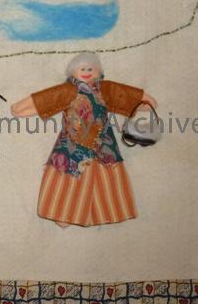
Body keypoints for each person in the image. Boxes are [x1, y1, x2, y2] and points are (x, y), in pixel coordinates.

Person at [11, 52, 157, 227]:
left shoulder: (105, 89)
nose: (87, 72)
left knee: (104, 173)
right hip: (73, 142)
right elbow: (43, 101)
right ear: (73, 72)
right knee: (69, 171)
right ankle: (63, 213)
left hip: (103, 142)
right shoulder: (68, 90)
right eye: (82, 68)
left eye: (91, 69)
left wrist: (144, 102)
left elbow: (129, 97)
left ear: (99, 72)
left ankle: (108, 210)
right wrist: (20, 108)